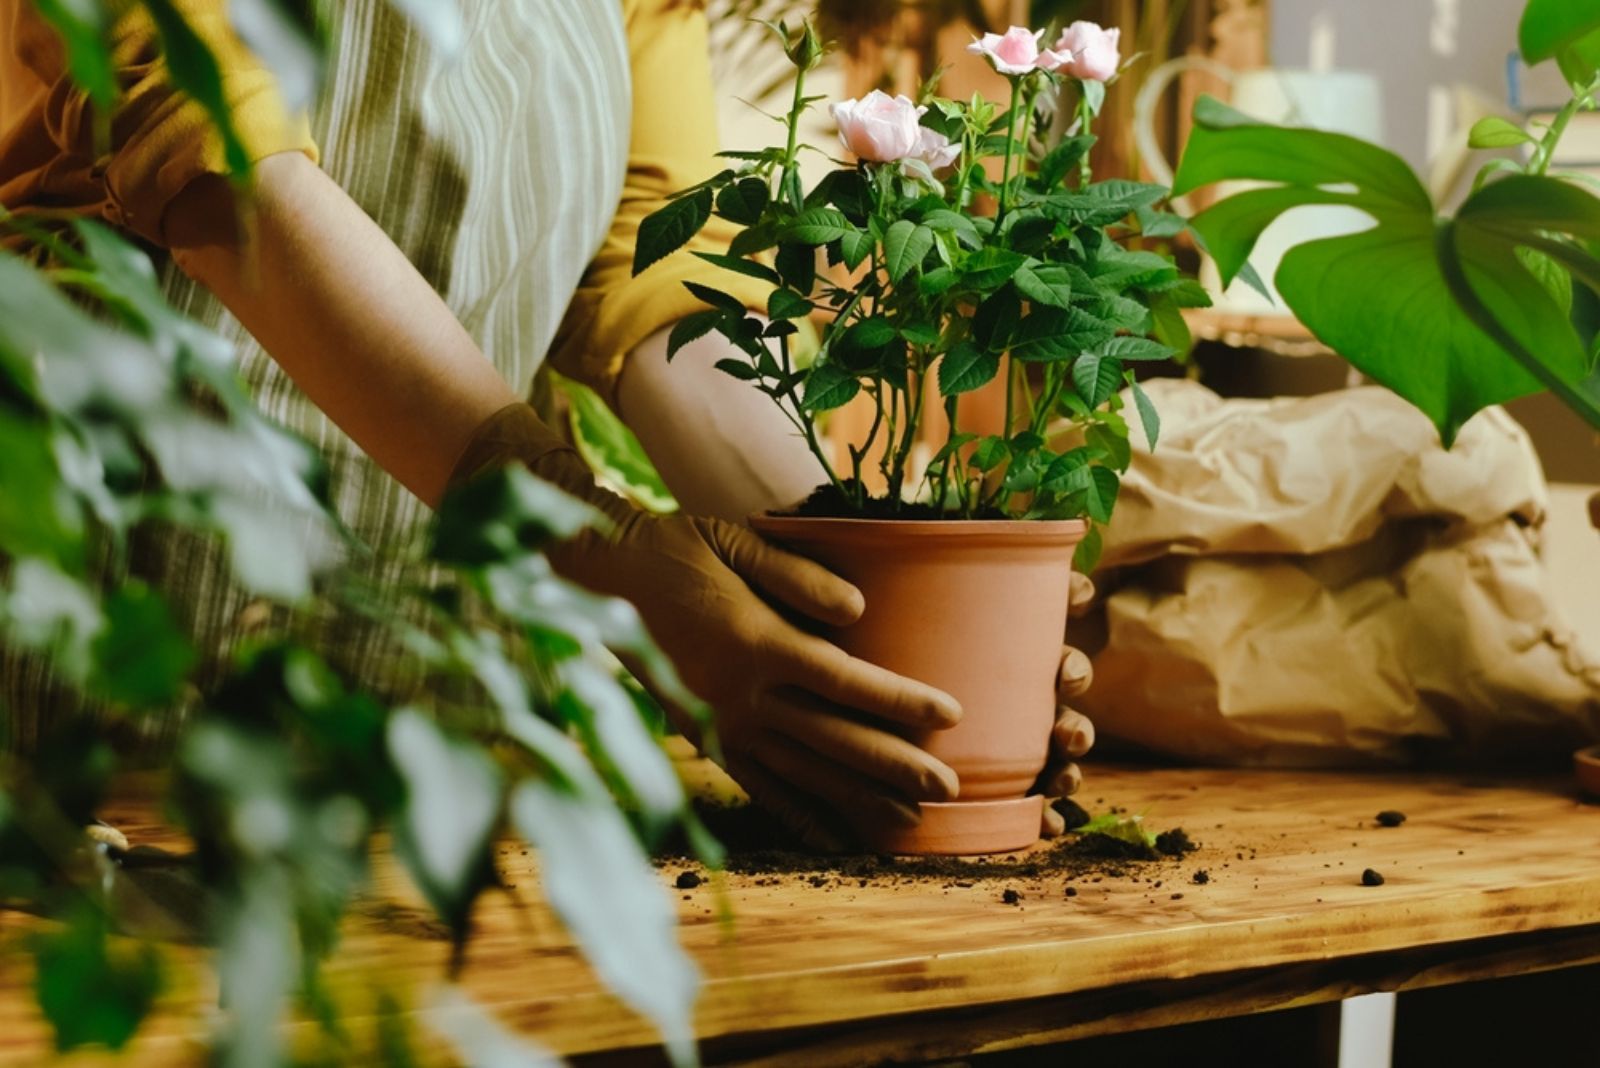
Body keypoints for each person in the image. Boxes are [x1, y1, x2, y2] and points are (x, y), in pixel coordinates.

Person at [0, 0, 1096, 845]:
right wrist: (604, 543)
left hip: (396, 708)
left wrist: (874, 606)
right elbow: (225, 185)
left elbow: (650, 297)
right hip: (93, 663)